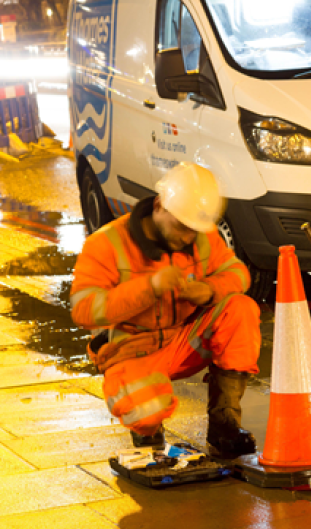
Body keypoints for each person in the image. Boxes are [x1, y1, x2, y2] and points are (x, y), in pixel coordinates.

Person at [70, 163, 261, 457]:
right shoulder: (105, 244)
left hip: (181, 341)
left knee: (240, 309)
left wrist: (209, 290)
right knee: (147, 410)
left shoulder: (201, 236)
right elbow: (83, 310)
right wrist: (150, 288)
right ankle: (148, 427)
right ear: (159, 206)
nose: (187, 238)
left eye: (193, 231)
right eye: (182, 228)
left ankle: (225, 426)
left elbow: (238, 274)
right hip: (130, 351)